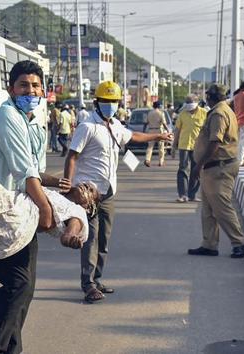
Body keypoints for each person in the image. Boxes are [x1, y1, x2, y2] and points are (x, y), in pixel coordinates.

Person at [0, 60, 70, 354]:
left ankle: (11, 350)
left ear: (43, 91)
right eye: (24, 86)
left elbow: (35, 171)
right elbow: (23, 171)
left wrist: (58, 182)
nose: (30, 91)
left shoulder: (33, 120)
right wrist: (46, 209)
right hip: (1, 211)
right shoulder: (7, 116)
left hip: (22, 209)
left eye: (35, 86)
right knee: (16, 284)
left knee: (25, 288)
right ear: (11, 89)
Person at [63, 81, 172, 303]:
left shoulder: (115, 125)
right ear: (97, 102)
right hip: (88, 194)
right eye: (106, 101)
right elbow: (72, 156)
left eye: (114, 101)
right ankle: (88, 284)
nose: (110, 105)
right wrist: (69, 185)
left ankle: (97, 278)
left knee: (104, 239)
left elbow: (133, 136)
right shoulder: (87, 127)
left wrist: (157, 137)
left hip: (108, 193)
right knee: (91, 238)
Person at [187, 84, 244, 259]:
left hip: (219, 167)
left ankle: (239, 242)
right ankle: (209, 244)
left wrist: (198, 166)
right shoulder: (221, 110)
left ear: (211, 97)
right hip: (213, 167)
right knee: (207, 209)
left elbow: (215, 142)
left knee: (222, 208)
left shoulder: (219, 114)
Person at [173, 94, 207, 202]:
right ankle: (182, 194)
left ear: (197, 103)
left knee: (196, 170)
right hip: (184, 146)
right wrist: (174, 146)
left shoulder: (204, 113)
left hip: (198, 147)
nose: (189, 108)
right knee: (182, 169)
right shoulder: (182, 114)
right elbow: (177, 131)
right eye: (187, 104)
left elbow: (207, 130)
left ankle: (192, 194)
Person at [145, 100, 168, 167]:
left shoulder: (149, 113)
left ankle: (147, 160)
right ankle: (161, 161)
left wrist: (144, 131)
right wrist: (168, 130)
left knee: (150, 147)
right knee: (161, 147)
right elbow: (164, 123)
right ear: (159, 106)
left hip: (151, 131)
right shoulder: (161, 113)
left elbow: (146, 122)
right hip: (159, 131)